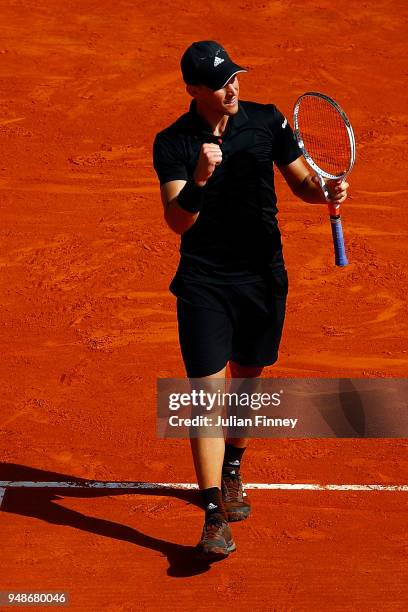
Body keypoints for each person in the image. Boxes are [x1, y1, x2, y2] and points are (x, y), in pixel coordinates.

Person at [152, 40, 348, 561]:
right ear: (194, 90)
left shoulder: (267, 121)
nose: (232, 87)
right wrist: (199, 177)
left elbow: (303, 182)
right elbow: (177, 220)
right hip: (204, 282)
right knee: (206, 395)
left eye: (235, 76)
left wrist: (326, 190)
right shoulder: (172, 142)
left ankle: (233, 467)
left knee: (248, 375)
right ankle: (213, 510)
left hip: (262, 279)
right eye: (219, 82)